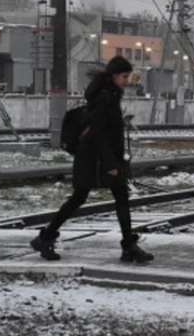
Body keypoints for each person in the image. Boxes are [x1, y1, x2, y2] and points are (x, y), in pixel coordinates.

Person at [30, 56, 153, 264]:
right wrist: (111, 164)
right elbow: (97, 133)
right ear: (113, 75)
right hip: (95, 159)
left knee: (112, 196)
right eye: (124, 76)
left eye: (128, 76)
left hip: (96, 158)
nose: (127, 80)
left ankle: (128, 245)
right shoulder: (104, 97)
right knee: (82, 198)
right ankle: (45, 237)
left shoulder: (108, 94)